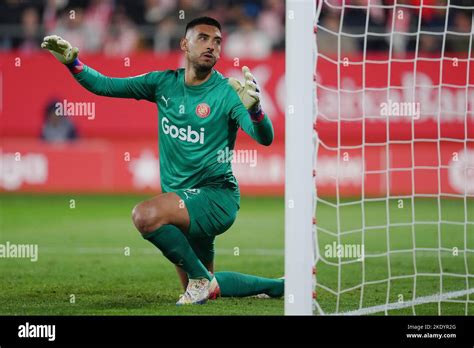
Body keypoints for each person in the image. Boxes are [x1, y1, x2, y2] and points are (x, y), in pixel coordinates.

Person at [41, 16, 284, 305]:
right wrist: (73, 63)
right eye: (203, 38)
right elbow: (105, 85)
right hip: (181, 201)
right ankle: (278, 286)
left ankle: (201, 281)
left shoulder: (228, 93)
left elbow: (264, 137)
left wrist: (256, 110)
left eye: (217, 41)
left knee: (145, 216)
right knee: (206, 283)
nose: (211, 46)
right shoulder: (162, 83)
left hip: (216, 197)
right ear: (184, 44)